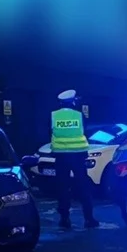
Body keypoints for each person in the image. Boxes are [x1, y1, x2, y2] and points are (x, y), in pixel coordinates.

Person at [51, 90, 98, 229]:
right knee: (83, 187)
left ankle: (64, 220)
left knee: (62, 188)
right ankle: (89, 219)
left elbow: (49, 132)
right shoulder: (79, 115)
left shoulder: (53, 115)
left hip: (61, 156)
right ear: (73, 102)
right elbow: (86, 130)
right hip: (78, 155)